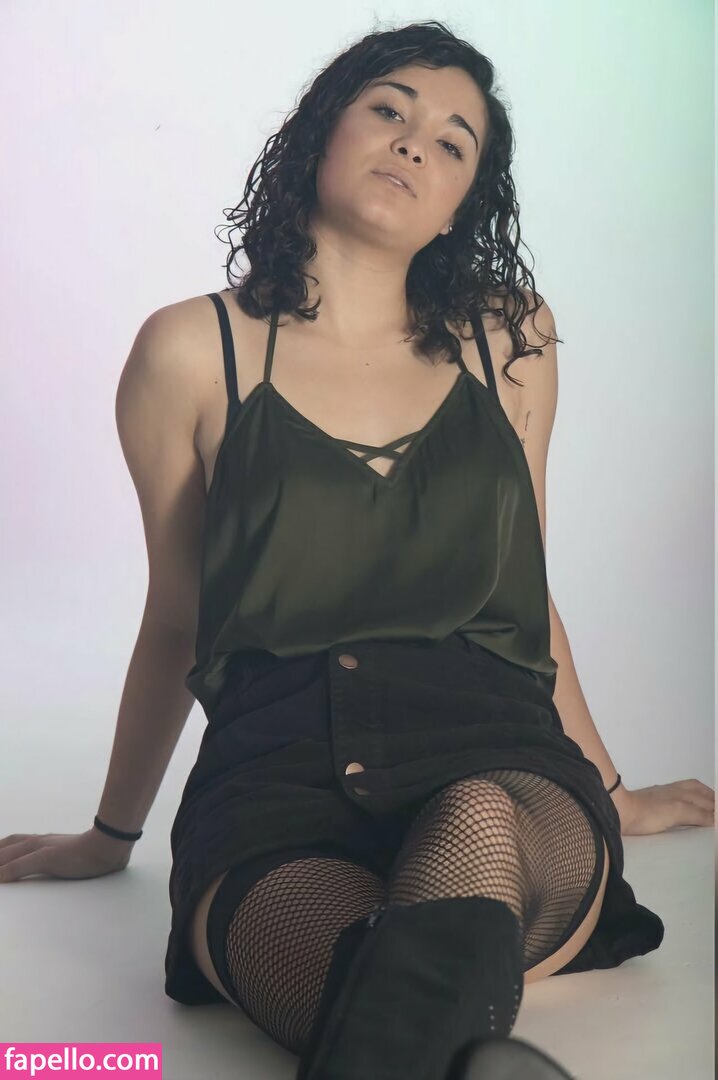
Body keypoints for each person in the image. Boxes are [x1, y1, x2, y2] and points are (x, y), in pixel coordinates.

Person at [1, 19, 713, 1080]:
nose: (416, 141)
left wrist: (610, 793)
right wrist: (112, 835)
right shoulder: (190, 351)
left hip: (499, 761)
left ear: (460, 203)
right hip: (274, 787)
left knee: (475, 822)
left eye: (454, 141)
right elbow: (179, 616)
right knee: (367, 979)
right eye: (389, 109)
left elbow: (529, 593)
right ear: (320, 131)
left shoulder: (508, 339)